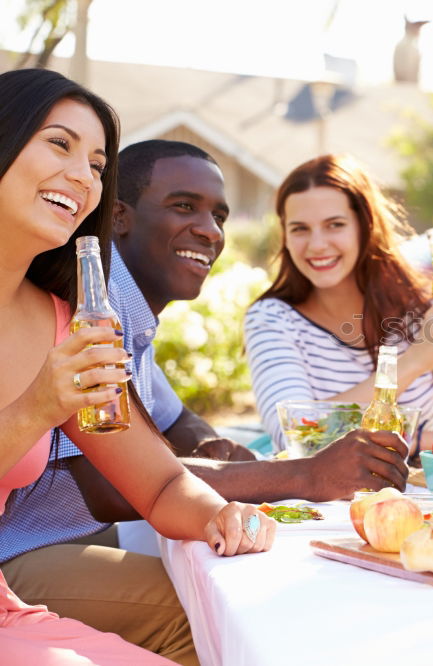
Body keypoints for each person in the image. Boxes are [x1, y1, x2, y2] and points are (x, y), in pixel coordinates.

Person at [2, 139, 411, 663]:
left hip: (75, 547)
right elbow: (110, 484)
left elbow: (172, 422)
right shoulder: (93, 307)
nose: (210, 230)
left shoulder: (119, 312)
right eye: (183, 206)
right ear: (118, 216)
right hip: (27, 553)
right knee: (240, 617)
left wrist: (218, 448)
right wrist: (303, 475)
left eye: (219, 215)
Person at [0, 68, 274, 664]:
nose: (82, 175)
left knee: (234, 633)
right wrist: (33, 411)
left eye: (98, 165)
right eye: (59, 143)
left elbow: (160, 482)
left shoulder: (62, 320)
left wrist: (221, 513)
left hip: (7, 611)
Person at [245, 154, 433, 454]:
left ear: (365, 227)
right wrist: (415, 361)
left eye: (335, 225)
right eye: (300, 228)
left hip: (411, 494)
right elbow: (297, 438)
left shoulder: (421, 311)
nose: (316, 244)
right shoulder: (271, 319)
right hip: (313, 500)